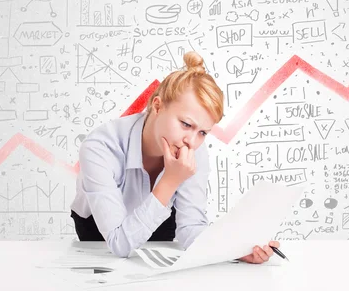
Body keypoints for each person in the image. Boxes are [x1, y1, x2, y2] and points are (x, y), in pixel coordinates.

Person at [70, 51, 279, 262]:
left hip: (158, 225)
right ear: (157, 106)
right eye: (186, 124)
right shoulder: (101, 146)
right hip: (99, 234)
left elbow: (191, 227)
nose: (191, 141)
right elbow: (119, 244)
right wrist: (171, 180)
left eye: (203, 132)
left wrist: (237, 249)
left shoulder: (193, 146)